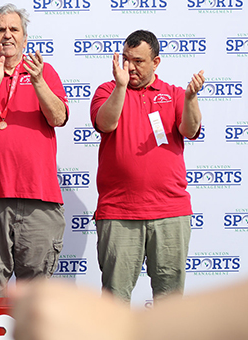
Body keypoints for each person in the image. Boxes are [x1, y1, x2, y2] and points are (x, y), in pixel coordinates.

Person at [0, 3, 69, 298]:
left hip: (39, 198)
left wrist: (39, 83)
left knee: (36, 296)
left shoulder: (44, 74)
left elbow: (58, 117)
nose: (7, 35)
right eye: (0, 29)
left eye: (13, 29)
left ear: (25, 37)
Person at [90, 30, 205, 302]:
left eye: (139, 61)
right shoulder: (108, 90)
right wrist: (120, 87)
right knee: (115, 299)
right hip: (119, 211)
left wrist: (190, 99)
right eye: (126, 59)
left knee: (170, 300)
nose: (130, 67)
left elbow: (190, 130)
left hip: (170, 211)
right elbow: (106, 123)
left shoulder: (175, 94)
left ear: (156, 62)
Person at [11, 278, 248, 340]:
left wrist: (127, 330)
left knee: (171, 293)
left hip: (169, 208)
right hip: (119, 210)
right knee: (117, 290)